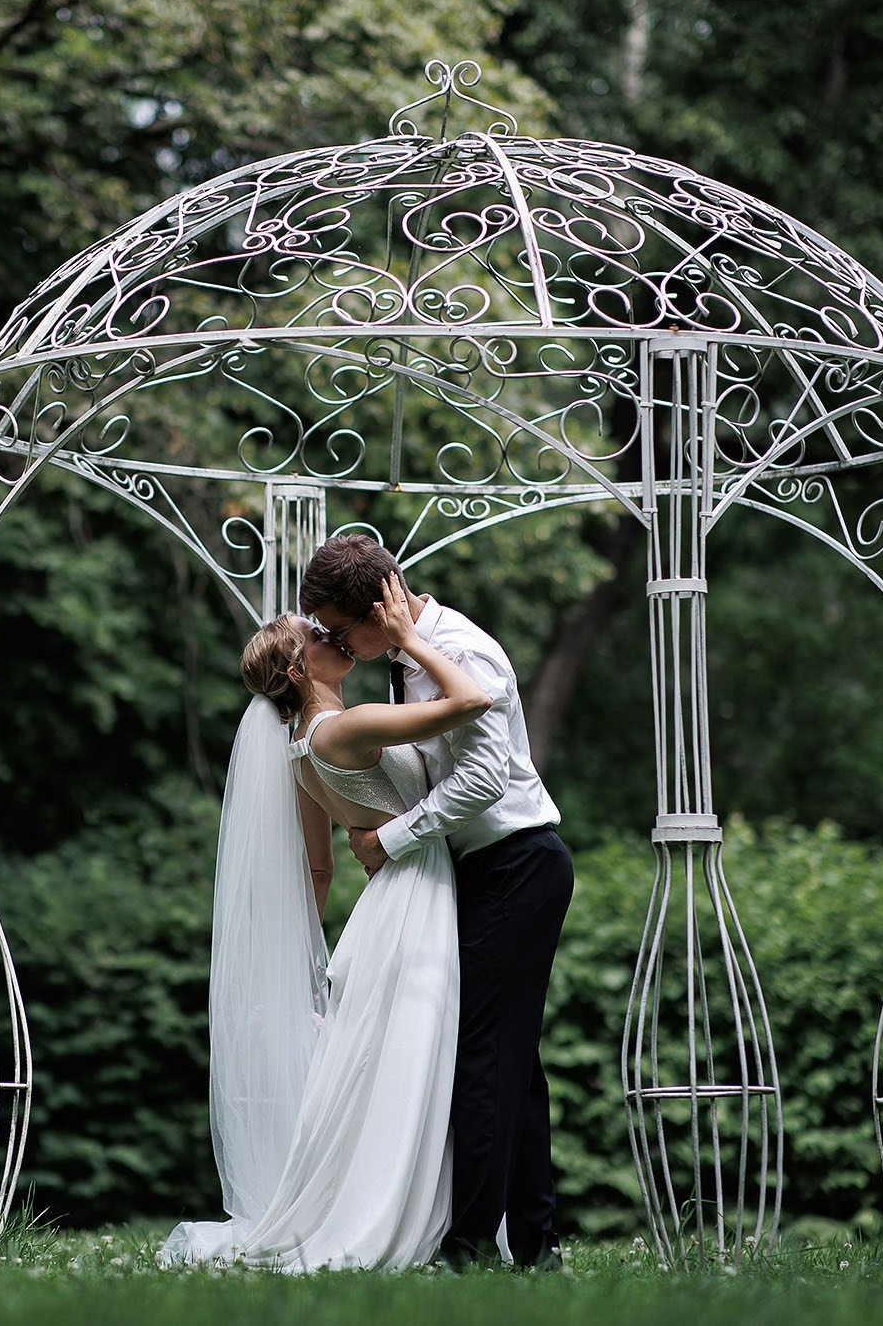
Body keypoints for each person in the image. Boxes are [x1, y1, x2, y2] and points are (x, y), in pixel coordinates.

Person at [161, 575, 491, 1270]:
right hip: (414, 897)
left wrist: (298, 958)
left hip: (386, 903)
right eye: (316, 635)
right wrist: (406, 640)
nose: (331, 636)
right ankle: (404, 1217)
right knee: (415, 1060)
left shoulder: (300, 750)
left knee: (398, 1063)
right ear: (299, 668)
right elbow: (469, 700)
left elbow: (318, 869)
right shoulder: (351, 723)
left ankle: (405, 1206)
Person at [302, 533, 575, 1272]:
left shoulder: (463, 653)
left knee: (484, 1054)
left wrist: (396, 837)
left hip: (519, 863)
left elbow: (487, 777)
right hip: (476, 869)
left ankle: (469, 1244)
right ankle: (538, 1243)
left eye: (338, 628)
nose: (336, 644)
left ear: (377, 609)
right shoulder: (400, 660)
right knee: (512, 1060)